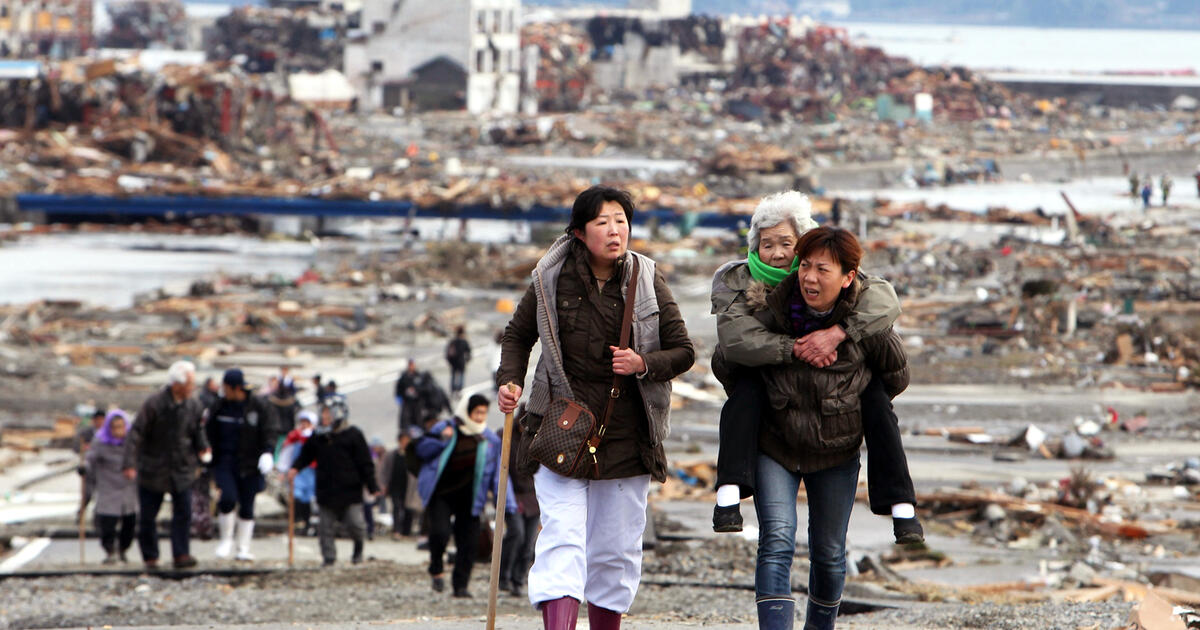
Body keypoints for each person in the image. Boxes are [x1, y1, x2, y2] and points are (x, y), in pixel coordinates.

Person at [497, 185, 695, 629]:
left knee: (616, 550)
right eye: (603, 222)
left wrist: (643, 362)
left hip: (626, 436)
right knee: (562, 540)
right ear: (580, 232)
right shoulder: (549, 279)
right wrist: (509, 381)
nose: (614, 231)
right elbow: (517, 336)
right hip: (559, 428)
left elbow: (683, 351)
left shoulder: (648, 280)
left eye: (621, 221)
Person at [709, 191, 923, 546]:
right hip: (775, 423)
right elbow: (734, 340)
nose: (777, 253)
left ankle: (902, 506)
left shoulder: (832, 280)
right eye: (767, 244)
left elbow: (883, 297)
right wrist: (796, 348)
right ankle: (728, 495)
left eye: (787, 243)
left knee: (875, 400)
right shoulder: (737, 280)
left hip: (835, 424)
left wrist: (839, 333)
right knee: (746, 392)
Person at [747, 226, 909, 630]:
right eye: (805, 266)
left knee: (830, 552)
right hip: (776, 445)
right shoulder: (774, 309)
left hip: (837, 450)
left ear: (848, 276)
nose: (810, 277)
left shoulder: (865, 321)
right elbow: (727, 364)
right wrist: (783, 356)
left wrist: (855, 396)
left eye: (823, 269)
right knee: (777, 542)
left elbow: (897, 375)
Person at [414, 394, 515, 598]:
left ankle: (460, 586)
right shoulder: (445, 428)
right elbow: (421, 450)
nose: (480, 417)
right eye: (476, 412)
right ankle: (436, 568)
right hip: (442, 493)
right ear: (467, 411)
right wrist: (443, 439)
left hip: (470, 498)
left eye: (483, 413)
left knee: (468, 543)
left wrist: (507, 504)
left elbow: (498, 474)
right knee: (440, 533)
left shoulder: (490, 440)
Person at [123, 360, 211, 569]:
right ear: (177, 385)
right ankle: (150, 556)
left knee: (183, 512)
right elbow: (136, 434)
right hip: (153, 467)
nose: (192, 388)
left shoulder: (193, 405)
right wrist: (129, 463)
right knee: (148, 516)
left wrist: (203, 447)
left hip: (182, 468)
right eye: (189, 384)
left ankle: (181, 554)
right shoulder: (154, 404)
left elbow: (197, 430)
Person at [288, 396, 379, 566]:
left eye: (328, 412)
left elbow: (365, 462)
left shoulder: (353, 434)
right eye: (323, 412)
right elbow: (306, 455)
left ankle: (358, 548)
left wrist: (372, 485)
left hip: (350, 491)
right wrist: (295, 468)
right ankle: (329, 557)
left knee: (356, 525)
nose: (324, 416)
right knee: (325, 528)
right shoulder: (318, 436)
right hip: (326, 490)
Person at [205, 368, 278, 561]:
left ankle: (243, 547)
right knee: (227, 498)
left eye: (226, 387)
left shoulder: (257, 407)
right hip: (225, 461)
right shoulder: (219, 407)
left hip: (251, 463)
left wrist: (268, 452)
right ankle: (225, 540)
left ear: (236, 388)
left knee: (247, 504)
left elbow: (270, 429)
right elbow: (208, 431)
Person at [83, 409, 137, 563]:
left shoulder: (131, 443)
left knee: (130, 523)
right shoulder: (100, 442)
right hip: (108, 486)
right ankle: (110, 550)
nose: (118, 431)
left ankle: (123, 549)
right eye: (115, 427)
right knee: (107, 523)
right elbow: (90, 459)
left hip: (128, 488)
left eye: (121, 427)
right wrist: (84, 468)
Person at [498, 410, 539, 598]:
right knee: (516, 534)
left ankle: (518, 580)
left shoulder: (539, 437)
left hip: (534, 496)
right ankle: (503, 576)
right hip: (512, 494)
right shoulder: (505, 436)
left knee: (529, 542)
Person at [379, 428, 419, 538]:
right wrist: (383, 485)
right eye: (403, 440)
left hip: (409, 487)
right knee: (396, 507)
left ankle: (406, 531)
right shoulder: (391, 455)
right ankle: (396, 530)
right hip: (395, 485)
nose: (405, 442)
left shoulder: (414, 455)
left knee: (408, 509)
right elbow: (384, 470)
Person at [281, 411, 317, 535]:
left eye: (307, 422)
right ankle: (297, 521)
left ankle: (307, 524)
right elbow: (286, 453)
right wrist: (283, 469)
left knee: (308, 498)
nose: (304, 425)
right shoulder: (294, 436)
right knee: (296, 495)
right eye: (302, 422)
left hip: (311, 472)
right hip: (297, 471)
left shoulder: (316, 436)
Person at [445, 325, 473, 397]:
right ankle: (459, 391)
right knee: (461, 376)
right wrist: (468, 360)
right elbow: (468, 351)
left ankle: (453, 390)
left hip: (453, 362)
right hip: (461, 362)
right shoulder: (464, 341)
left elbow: (447, 351)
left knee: (453, 376)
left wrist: (449, 360)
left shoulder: (453, 341)